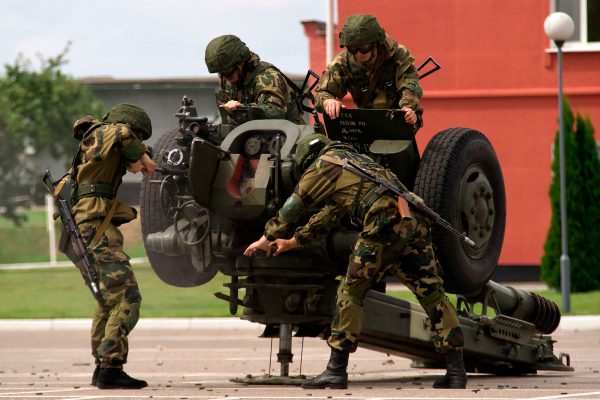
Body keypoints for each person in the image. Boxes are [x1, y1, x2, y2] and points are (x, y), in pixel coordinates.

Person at [243, 134, 467, 390]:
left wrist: (267, 237)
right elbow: (330, 213)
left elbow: (295, 204)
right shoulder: (357, 163)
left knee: (351, 292)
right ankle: (456, 371)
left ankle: (336, 370)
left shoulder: (324, 165)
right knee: (433, 295)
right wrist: (293, 242)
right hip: (413, 221)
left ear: (307, 158)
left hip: (383, 222)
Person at [68, 104, 156, 389]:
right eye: (140, 136)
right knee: (127, 299)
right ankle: (111, 366)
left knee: (107, 301)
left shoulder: (97, 143)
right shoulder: (111, 131)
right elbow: (123, 134)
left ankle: (103, 366)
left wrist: (139, 158)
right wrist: (142, 157)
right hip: (96, 229)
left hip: (85, 228)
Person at [314, 14, 422, 130]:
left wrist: (408, 108)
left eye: (364, 48)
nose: (359, 53)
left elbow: (409, 83)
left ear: (376, 42)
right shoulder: (342, 62)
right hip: (366, 122)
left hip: (399, 118)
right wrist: (328, 101)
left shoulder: (398, 55)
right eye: (352, 49)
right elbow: (322, 93)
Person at [204, 34, 304, 126]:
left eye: (227, 73)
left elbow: (275, 111)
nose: (225, 78)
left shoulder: (267, 77)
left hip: (288, 135)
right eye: (220, 74)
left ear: (241, 63)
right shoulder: (227, 82)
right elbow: (223, 119)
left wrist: (242, 109)